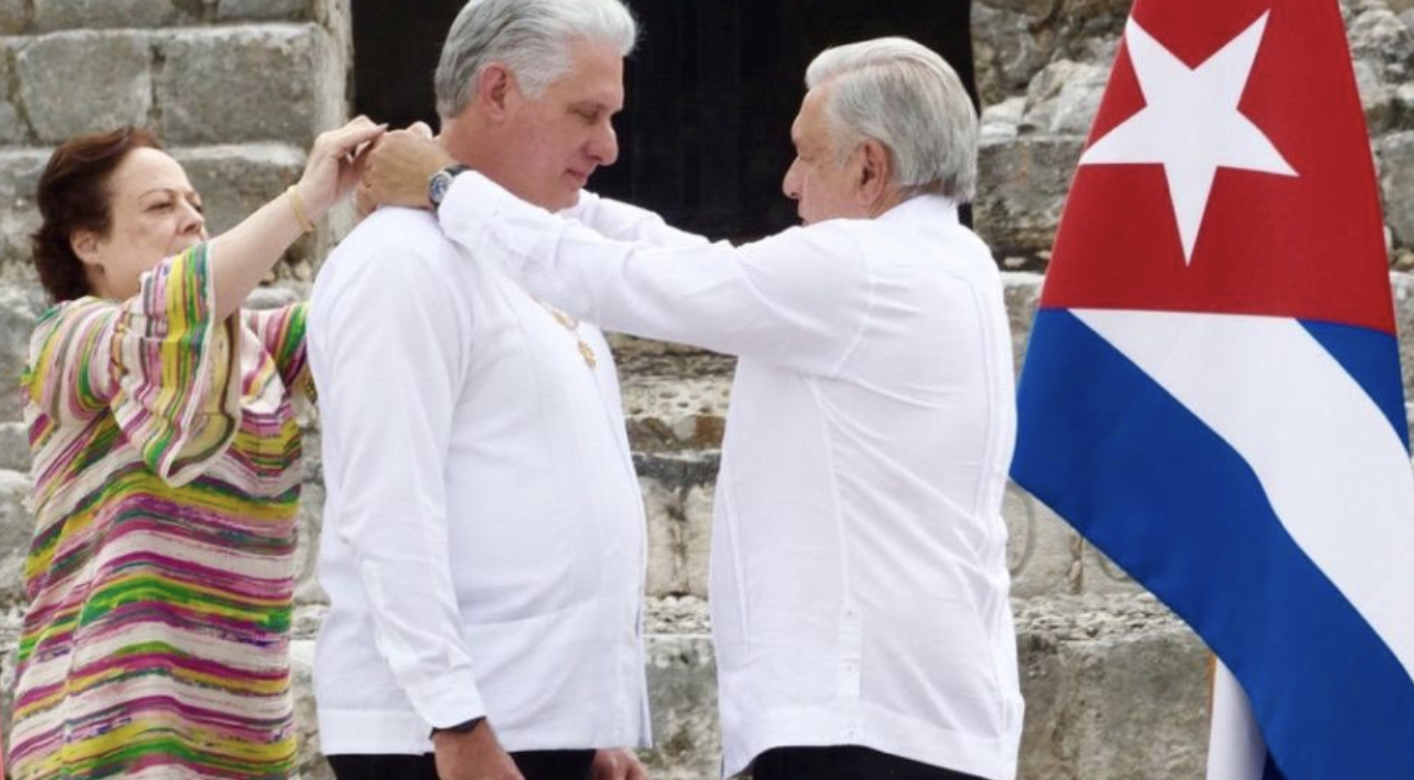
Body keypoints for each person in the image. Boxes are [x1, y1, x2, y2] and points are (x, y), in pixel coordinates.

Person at [358, 36, 1025, 780]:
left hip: (867, 723)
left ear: (870, 168)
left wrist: (452, 186)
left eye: (808, 154)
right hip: (913, 715)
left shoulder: (863, 270)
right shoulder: (950, 261)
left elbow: (638, 284)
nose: (791, 182)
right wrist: (532, 190)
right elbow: (689, 261)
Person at [306, 2, 653, 779]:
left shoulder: (534, 253)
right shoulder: (400, 261)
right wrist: (454, 720)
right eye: (586, 114)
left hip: (529, 722)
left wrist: (582, 721)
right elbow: (389, 505)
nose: (608, 145)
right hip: (440, 740)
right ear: (497, 90)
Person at [10, 117, 383, 780]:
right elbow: (169, 314)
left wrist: (391, 208)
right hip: (103, 725)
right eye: (160, 205)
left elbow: (367, 319)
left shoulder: (257, 344)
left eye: (196, 204)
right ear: (88, 242)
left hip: (240, 726)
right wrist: (304, 201)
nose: (190, 218)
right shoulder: (65, 339)